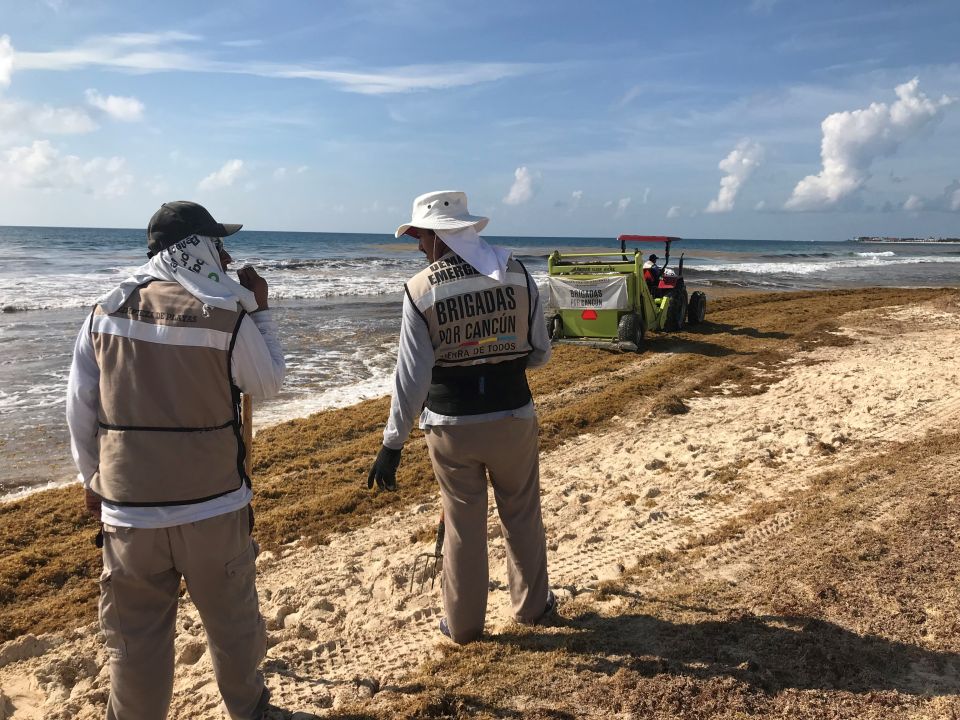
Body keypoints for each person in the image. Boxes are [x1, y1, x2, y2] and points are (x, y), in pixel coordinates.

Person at [66, 201, 285, 720]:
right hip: (212, 505)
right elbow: (268, 382)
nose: (227, 257)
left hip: (130, 511)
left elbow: (81, 407)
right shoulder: (226, 312)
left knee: (135, 642)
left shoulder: (106, 310)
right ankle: (249, 710)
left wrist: (93, 481)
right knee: (232, 625)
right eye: (219, 244)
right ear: (197, 247)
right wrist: (261, 310)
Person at [367, 190, 554, 644]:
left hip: (452, 428)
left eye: (418, 236)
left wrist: (392, 444)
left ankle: (465, 627)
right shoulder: (518, 273)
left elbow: (411, 378)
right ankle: (532, 609)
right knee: (522, 515)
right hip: (513, 416)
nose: (416, 246)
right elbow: (541, 352)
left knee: (464, 527)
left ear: (436, 237)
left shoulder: (420, 290)